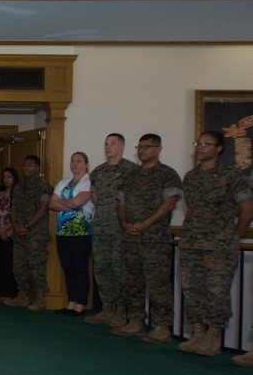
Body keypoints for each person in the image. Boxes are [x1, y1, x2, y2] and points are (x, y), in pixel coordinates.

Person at [178, 131, 253, 359]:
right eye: (198, 143)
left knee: (216, 291)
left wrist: (232, 237)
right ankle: (198, 332)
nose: (200, 147)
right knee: (192, 289)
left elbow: (247, 210)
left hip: (220, 245)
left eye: (206, 144)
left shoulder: (231, 176)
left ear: (219, 148)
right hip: (191, 242)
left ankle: (214, 336)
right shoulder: (190, 177)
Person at [112, 134, 181, 339]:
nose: (142, 150)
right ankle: (135, 321)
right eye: (139, 147)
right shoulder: (131, 176)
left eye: (147, 147)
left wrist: (145, 224)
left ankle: (162, 326)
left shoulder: (167, 174)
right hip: (131, 239)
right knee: (131, 282)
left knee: (158, 283)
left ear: (158, 149)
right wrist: (125, 223)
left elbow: (170, 203)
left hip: (155, 239)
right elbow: (122, 203)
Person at [83, 133, 139, 326]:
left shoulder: (132, 170)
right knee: (101, 268)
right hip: (101, 228)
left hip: (120, 229)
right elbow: (95, 198)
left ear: (122, 147)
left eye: (113, 143)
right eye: (106, 143)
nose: (108, 147)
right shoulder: (98, 172)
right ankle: (107, 308)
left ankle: (121, 311)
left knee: (120, 269)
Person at [49, 152, 94, 316]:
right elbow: (51, 204)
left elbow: (78, 203)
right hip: (63, 232)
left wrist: (62, 201)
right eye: (73, 161)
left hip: (82, 232)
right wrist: (70, 204)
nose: (75, 164)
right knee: (68, 268)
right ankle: (71, 303)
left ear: (86, 164)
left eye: (79, 161)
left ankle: (80, 304)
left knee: (80, 268)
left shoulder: (88, 182)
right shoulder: (63, 182)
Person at [7, 156, 53, 311]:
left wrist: (27, 225)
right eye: (24, 165)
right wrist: (15, 225)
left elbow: (44, 208)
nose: (26, 168)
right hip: (19, 233)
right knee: (19, 265)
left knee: (36, 265)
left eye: (30, 165)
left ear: (37, 168)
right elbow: (13, 208)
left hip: (36, 233)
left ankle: (40, 298)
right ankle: (22, 296)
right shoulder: (18, 187)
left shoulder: (44, 186)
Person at [0, 167, 18, 301]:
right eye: (4, 177)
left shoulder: (18, 194)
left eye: (9, 177)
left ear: (14, 178)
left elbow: (18, 216)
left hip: (12, 234)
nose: (6, 180)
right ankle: (1, 291)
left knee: (10, 264)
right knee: (0, 263)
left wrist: (6, 229)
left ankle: (11, 293)